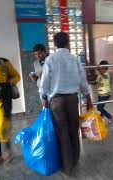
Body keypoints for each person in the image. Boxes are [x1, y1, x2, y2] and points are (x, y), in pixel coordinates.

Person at [39, 32, 93, 175]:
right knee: (73, 130)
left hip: (56, 101)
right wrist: (88, 99)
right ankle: (75, 160)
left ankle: (67, 165)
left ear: (55, 44)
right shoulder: (74, 59)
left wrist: (44, 97)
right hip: (72, 99)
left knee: (62, 132)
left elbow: (44, 83)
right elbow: (83, 81)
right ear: (68, 42)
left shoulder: (50, 60)